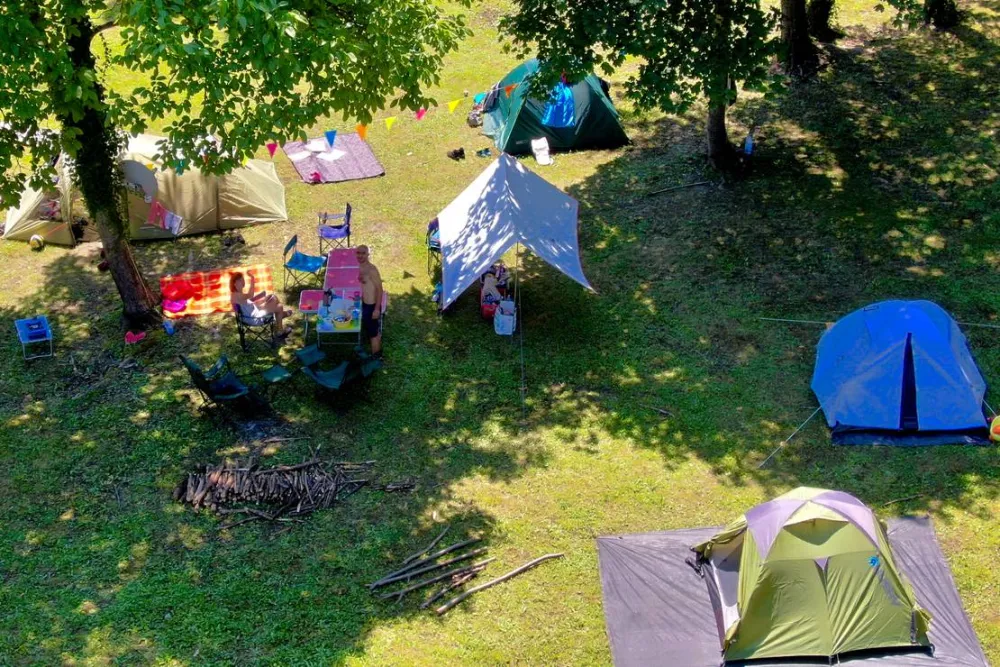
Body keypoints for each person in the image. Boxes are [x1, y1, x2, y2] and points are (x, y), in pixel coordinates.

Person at [229, 271, 292, 336]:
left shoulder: (236, 295)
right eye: (239, 280)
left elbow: (247, 305)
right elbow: (250, 295)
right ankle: (281, 318)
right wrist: (252, 278)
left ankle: (280, 327)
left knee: (276, 302)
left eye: (242, 279)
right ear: (234, 283)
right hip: (255, 319)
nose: (242, 281)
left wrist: (260, 299)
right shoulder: (236, 295)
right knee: (276, 302)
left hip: (252, 315)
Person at [355, 245, 383, 357]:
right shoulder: (361, 266)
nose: (360, 255)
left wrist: (376, 309)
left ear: (368, 255)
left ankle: (377, 359)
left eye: (363, 253)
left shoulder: (372, 270)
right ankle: (377, 345)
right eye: (358, 253)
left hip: (372, 306)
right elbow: (366, 283)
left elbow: (380, 290)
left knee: (373, 335)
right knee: (371, 330)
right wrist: (361, 280)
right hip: (365, 303)